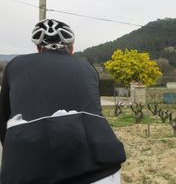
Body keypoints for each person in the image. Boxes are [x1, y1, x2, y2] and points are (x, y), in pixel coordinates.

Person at [0, 19, 126, 184]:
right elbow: (95, 112)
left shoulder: (15, 65)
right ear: (72, 48)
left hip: (28, 168)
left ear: (38, 48)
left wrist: (16, 152)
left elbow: (3, 119)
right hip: (97, 166)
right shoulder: (87, 67)